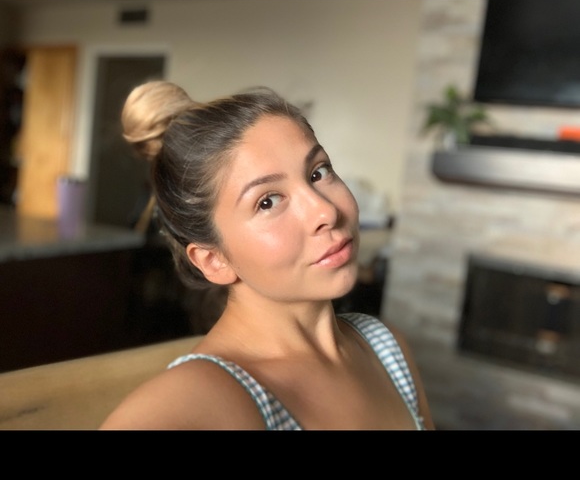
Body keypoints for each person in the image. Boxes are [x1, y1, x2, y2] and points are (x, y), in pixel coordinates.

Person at [100, 81, 435, 430]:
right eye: (267, 201)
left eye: (318, 173)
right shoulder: (200, 398)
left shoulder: (386, 348)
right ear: (214, 260)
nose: (326, 211)